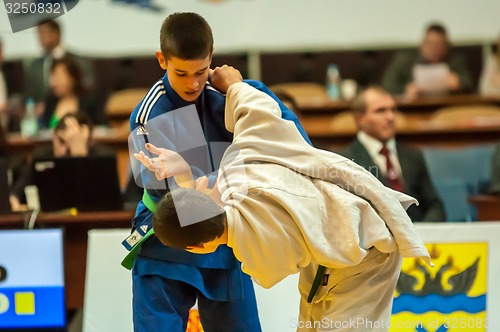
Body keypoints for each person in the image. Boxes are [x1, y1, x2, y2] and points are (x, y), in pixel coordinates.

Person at [136, 65, 431, 332]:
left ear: (198, 248)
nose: (201, 183)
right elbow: (259, 115)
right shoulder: (240, 166)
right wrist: (236, 85)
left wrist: (187, 172)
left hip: (369, 252)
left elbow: (213, 213)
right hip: (337, 245)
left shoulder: (255, 254)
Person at [124, 12, 310, 332]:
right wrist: (228, 181)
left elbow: (295, 146)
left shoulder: (232, 94)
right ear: (162, 60)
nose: (193, 83)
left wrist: (239, 88)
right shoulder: (151, 113)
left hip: (225, 238)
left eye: (200, 71)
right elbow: (182, 201)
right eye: (181, 73)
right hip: (168, 240)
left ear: (212, 58)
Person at [337, 86, 446, 222]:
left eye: (393, 110)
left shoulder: (413, 155)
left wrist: (423, 233)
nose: (390, 117)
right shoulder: (345, 160)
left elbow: (434, 206)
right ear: (360, 119)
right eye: (380, 111)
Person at [9, 112, 113, 210]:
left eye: (71, 144)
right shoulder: (42, 157)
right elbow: (17, 192)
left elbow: (97, 202)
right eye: (61, 141)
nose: (64, 150)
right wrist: (13, 199)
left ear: (89, 142)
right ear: (54, 137)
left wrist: (79, 156)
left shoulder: (103, 158)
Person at [381, 22, 473, 100]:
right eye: (430, 44)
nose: (434, 49)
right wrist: (405, 90)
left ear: (447, 46)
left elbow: (469, 84)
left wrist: (459, 84)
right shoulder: (405, 60)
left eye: (439, 45)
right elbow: (387, 85)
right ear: (422, 43)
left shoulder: (455, 60)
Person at [24, 20, 94, 103]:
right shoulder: (34, 65)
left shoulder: (79, 62)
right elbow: (28, 93)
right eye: (38, 34)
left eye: (43, 33)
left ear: (56, 33)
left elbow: (88, 88)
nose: (40, 38)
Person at [39, 56, 106, 129]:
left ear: (72, 77)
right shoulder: (50, 101)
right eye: (52, 77)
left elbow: (101, 127)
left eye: (58, 77)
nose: (52, 83)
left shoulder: (90, 100)